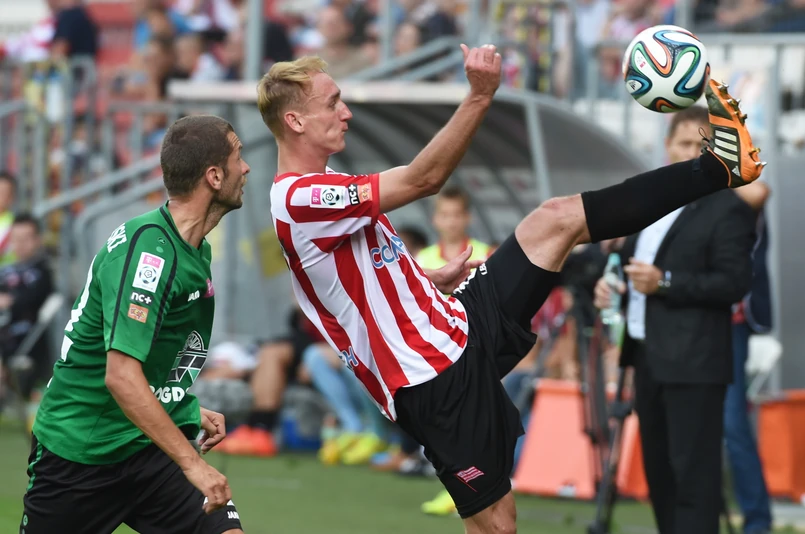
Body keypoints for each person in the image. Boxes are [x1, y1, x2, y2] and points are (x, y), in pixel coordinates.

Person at [261, 44, 765, 533]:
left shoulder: (324, 183)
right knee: (497, 526)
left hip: (454, 322)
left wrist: (421, 281)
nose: (346, 112)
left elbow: (351, 278)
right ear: (296, 121)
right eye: (333, 103)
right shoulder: (300, 197)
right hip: (430, 378)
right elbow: (423, 179)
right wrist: (480, 96)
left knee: (556, 219)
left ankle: (717, 166)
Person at [21, 115, 249, 534]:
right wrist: (194, 464)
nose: (246, 168)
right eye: (238, 156)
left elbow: (145, 365)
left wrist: (185, 406)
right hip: (81, 453)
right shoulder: (149, 256)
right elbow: (121, 377)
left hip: (145, 449)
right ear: (214, 176)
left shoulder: (192, 248)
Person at [592, 105, 759, 534]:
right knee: (661, 475)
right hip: (646, 357)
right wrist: (611, 289)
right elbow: (629, 269)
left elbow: (734, 282)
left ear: (716, 150)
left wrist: (664, 282)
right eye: (683, 143)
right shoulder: (651, 204)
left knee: (694, 480)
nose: (691, 153)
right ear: (667, 146)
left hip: (695, 362)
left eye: (701, 145)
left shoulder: (728, 208)